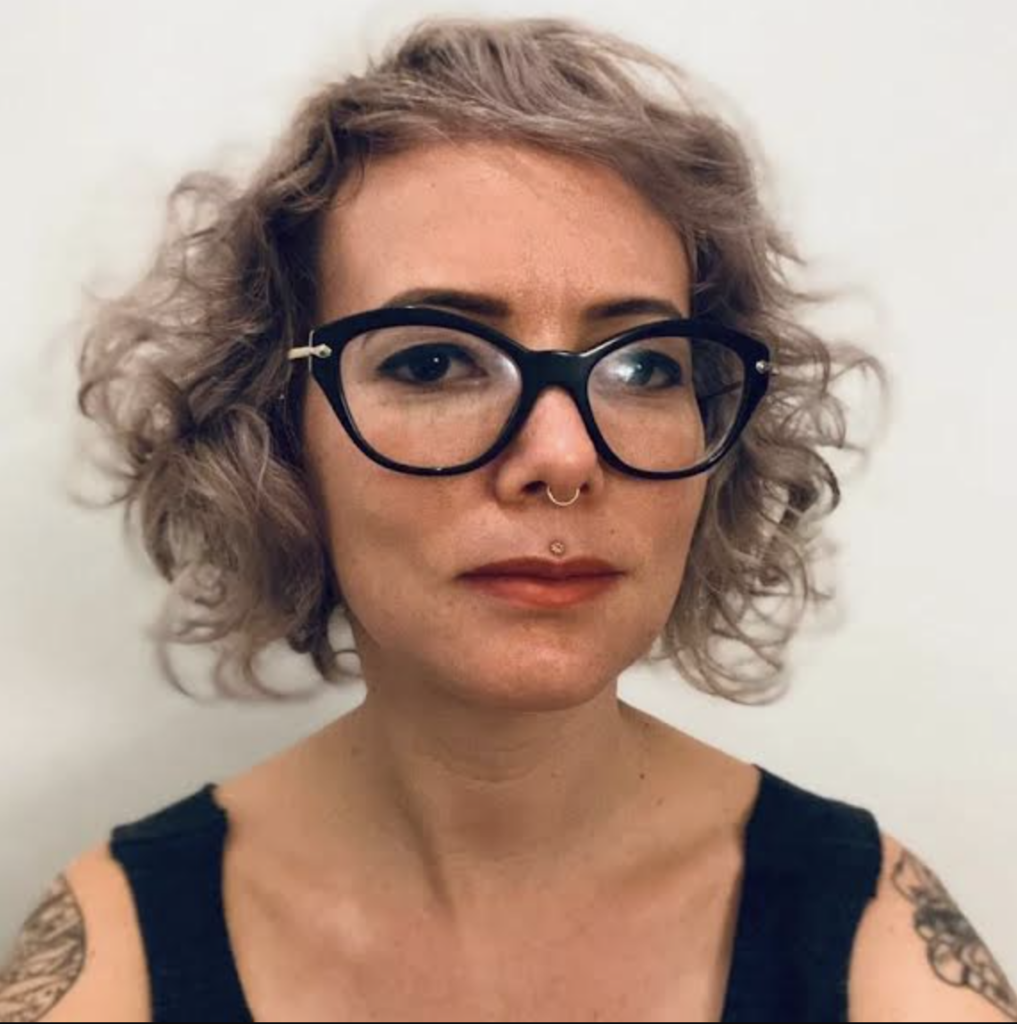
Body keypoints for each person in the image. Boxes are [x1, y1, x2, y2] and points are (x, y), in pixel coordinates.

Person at [2, 14, 1013, 1024]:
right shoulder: (117, 953)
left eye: (643, 366)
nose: (565, 457)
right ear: (276, 434)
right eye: (433, 361)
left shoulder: (874, 940)